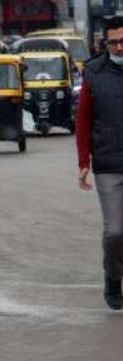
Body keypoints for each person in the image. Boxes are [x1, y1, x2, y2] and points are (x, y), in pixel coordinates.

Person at [76, 16, 123, 310]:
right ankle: (113, 278)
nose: (119, 46)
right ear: (104, 44)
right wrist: (83, 161)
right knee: (115, 231)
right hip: (108, 161)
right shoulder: (93, 72)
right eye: (114, 42)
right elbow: (82, 121)